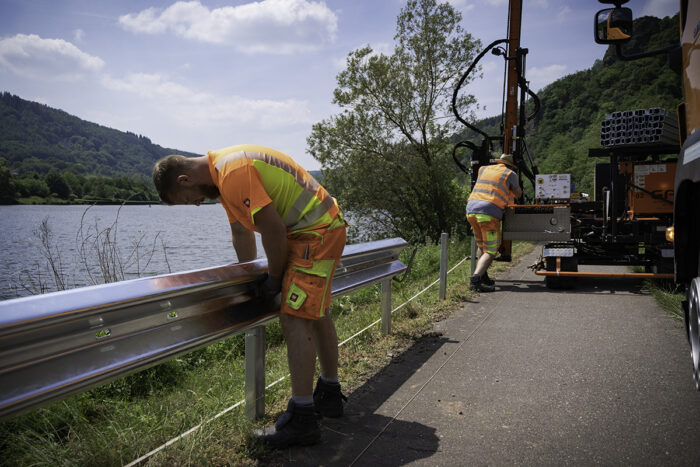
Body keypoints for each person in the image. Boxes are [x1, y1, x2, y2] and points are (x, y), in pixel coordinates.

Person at [152, 144, 347, 448]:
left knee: (295, 317)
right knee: (314, 312)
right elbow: (242, 234)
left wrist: (275, 280)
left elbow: (273, 230)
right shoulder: (222, 176)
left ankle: (303, 419)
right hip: (320, 228)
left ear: (184, 180)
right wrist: (247, 274)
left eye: (188, 200)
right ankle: (330, 395)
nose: (196, 204)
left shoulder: (233, 173)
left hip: (314, 234)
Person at [465, 153, 522, 292]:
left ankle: (483, 276)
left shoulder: (483, 169)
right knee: (491, 249)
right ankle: (476, 280)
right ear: (510, 165)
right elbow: (518, 193)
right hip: (488, 213)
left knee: (482, 245)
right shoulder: (510, 174)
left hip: (471, 210)